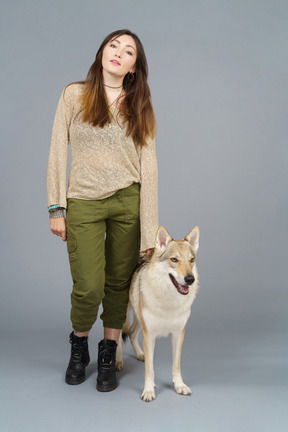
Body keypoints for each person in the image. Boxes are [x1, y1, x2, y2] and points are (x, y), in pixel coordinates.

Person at [47, 29, 158, 392]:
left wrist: (149, 229)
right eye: (114, 45)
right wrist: (56, 207)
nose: (118, 53)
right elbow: (57, 150)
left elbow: (149, 166)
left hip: (128, 200)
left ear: (132, 68)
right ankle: (79, 347)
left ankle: (108, 352)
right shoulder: (74, 94)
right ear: (101, 52)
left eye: (128, 52)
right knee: (89, 286)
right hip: (84, 202)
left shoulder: (139, 103)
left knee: (117, 285)